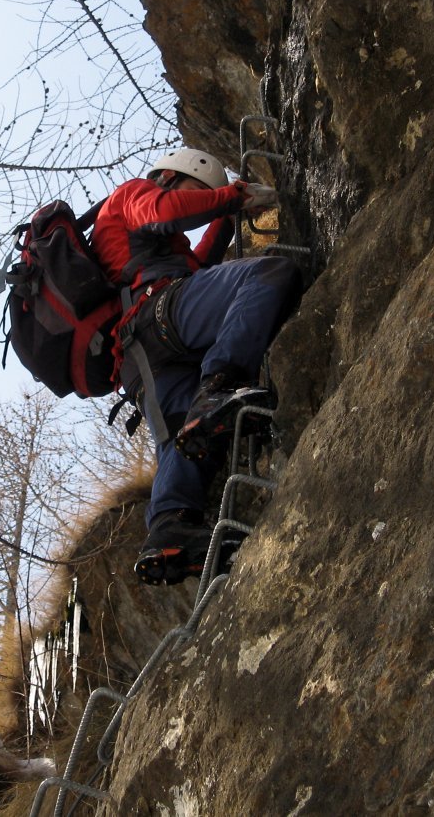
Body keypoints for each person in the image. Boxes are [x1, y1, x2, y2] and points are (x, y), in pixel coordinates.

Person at [91, 148, 302, 585]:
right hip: (161, 315)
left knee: (185, 438)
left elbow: (197, 267)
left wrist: (226, 216)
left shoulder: (151, 248)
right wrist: (233, 196)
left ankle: (170, 529)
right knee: (268, 274)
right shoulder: (135, 195)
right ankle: (221, 382)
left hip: (144, 359)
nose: (199, 200)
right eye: (196, 190)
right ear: (169, 176)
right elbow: (165, 211)